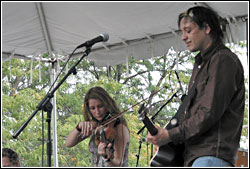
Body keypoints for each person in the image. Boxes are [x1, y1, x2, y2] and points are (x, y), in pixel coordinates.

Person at [147, 6, 245, 167]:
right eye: (182, 32)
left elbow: (208, 112)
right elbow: (193, 114)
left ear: (206, 28)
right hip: (197, 156)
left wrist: (170, 135)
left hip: (211, 156)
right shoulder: (202, 63)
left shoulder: (222, 60)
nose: (183, 37)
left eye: (188, 30)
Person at [66, 86, 130, 167]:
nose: (97, 112)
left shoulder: (119, 128)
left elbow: (118, 163)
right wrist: (79, 127)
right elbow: (69, 143)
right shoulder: (96, 126)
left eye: (100, 106)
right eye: (92, 108)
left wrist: (106, 157)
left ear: (107, 104)